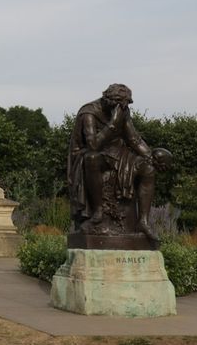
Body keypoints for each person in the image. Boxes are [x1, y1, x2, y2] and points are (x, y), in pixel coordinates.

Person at [68, 84, 159, 241]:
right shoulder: (89, 112)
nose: (122, 107)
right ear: (109, 100)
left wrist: (149, 156)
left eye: (125, 104)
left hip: (116, 152)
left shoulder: (122, 110)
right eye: (120, 104)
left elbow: (134, 139)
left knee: (148, 169)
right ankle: (97, 212)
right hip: (88, 154)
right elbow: (93, 145)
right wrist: (113, 123)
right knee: (92, 159)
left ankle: (143, 222)